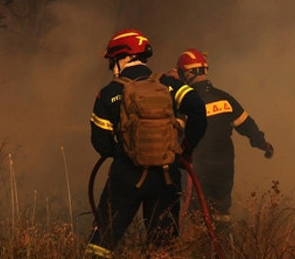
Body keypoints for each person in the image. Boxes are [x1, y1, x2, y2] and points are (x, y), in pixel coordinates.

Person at [86, 29, 207, 258]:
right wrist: (185, 149)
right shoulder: (169, 84)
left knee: (101, 244)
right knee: (163, 249)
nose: (112, 67)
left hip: (126, 178)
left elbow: (100, 143)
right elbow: (198, 110)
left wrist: (125, 152)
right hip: (166, 177)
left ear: (123, 57)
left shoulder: (109, 92)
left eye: (113, 61)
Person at [175, 48, 273, 231]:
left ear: (187, 73)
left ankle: (202, 250)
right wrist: (263, 144)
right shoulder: (225, 98)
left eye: (181, 74)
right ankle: (225, 247)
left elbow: (173, 131)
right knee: (221, 213)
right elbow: (247, 126)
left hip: (197, 168)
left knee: (199, 215)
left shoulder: (186, 102)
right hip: (224, 168)